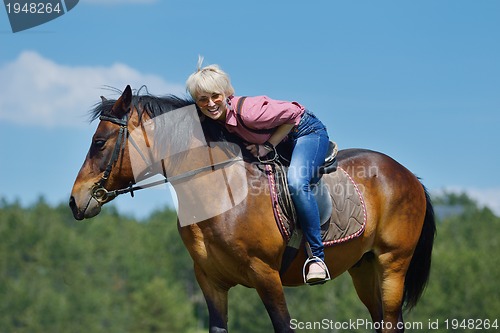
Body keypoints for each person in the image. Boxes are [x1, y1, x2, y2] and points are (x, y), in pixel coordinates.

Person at [186, 58, 330, 284]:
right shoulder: (213, 118)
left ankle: (317, 258)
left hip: (305, 132)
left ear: (226, 94)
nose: (211, 103)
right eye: (203, 99)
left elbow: (294, 114)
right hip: (280, 139)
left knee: (296, 182)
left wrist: (268, 145)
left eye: (216, 96)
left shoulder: (250, 112)